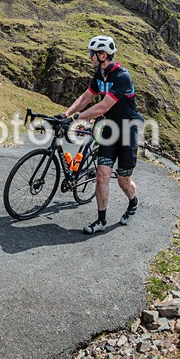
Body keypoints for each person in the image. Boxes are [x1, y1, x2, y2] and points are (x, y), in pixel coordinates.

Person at [59, 35, 143, 234]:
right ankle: (101, 220)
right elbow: (86, 97)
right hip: (108, 129)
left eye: (92, 54)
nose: (90, 57)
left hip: (127, 130)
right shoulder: (100, 75)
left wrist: (75, 119)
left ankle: (133, 201)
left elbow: (104, 106)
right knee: (102, 175)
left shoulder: (122, 76)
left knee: (124, 181)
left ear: (103, 55)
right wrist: (66, 113)